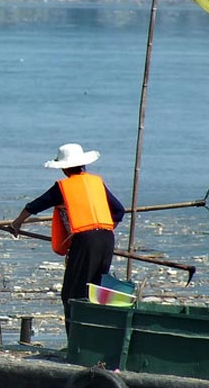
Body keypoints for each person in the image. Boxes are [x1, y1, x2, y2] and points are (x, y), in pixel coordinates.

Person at [9, 143, 125, 333]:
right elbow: (119, 211)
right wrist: (102, 229)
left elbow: (35, 205)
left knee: (73, 294)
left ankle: (77, 340)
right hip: (106, 238)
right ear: (83, 165)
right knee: (95, 291)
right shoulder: (97, 182)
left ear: (64, 167)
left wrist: (17, 223)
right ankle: (95, 337)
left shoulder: (63, 187)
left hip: (86, 241)